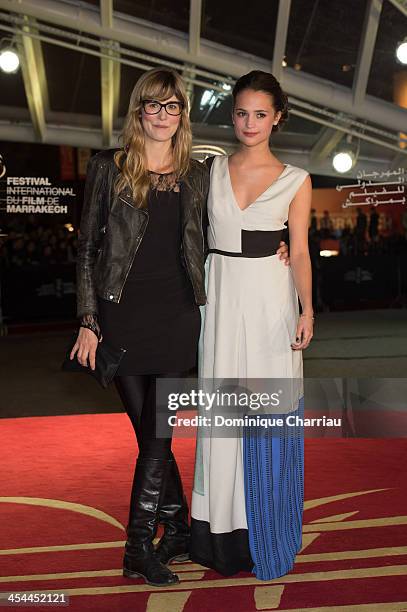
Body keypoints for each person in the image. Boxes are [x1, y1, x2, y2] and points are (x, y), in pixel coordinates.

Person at [70, 66, 291, 586]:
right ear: (139, 111)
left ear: (182, 115)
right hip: (120, 316)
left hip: (176, 317)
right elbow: (86, 249)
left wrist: (276, 242)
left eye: (173, 107)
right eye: (154, 105)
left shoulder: (199, 171)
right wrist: (87, 320)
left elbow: (240, 214)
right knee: (151, 435)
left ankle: (142, 544)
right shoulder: (108, 167)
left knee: (157, 434)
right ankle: (165, 531)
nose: (163, 116)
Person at [190, 70, 313, 581]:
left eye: (261, 114)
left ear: (277, 118)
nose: (249, 123)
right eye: (241, 112)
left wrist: (308, 308)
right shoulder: (209, 169)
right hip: (218, 300)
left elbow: (301, 250)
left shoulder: (297, 179)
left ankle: (268, 526)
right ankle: (218, 532)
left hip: (269, 302)